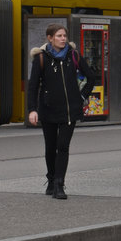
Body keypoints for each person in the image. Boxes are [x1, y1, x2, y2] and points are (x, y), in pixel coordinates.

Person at [26, 23, 94, 199]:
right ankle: (50, 179)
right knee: (50, 147)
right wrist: (32, 110)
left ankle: (59, 184)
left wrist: (81, 96)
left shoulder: (74, 56)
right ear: (50, 38)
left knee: (63, 147)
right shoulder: (41, 58)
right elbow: (32, 86)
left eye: (64, 36)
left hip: (69, 110)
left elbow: (91, 77)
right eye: (59, 36)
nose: (63, 39)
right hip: (48, 109)